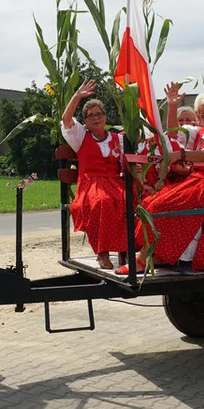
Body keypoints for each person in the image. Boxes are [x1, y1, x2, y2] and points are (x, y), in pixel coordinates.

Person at [121, 85, 204, 273]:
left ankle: (145, 259)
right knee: (153, 203)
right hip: (199, 182)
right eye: (203, 115)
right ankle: (157, 255)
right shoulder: (201, 132)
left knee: (163, 206)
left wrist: (180, 155)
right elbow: (174, 133)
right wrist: (172, 105)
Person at [61, 80, 127, 270]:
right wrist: (77, 96)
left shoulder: (118, 139)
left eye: (99, 114)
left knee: (129, 200)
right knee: (102, 203)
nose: (96, 118)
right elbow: (67, 119)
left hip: (115, 182)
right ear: (86, 121)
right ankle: (102, 252)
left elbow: (125, 164)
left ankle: (126, 251)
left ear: (105, 117)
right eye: (90, 116)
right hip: (91, 183)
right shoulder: (81, 136)